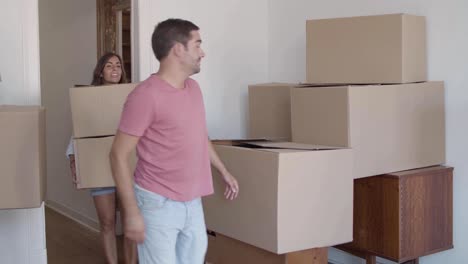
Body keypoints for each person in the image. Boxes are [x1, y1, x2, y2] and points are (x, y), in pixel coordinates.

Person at [109, 18, 239, 264]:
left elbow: (199, 135)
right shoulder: (145, 96)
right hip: (157, 202)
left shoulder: (194, 89)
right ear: (178, 49)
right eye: (197, 44)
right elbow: (117, 155)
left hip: (193, 201)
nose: (203, 52)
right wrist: (132, 212)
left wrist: (223, 170)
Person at [66, 52, 137, 264]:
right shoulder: (88, 99)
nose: (115, 69)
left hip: (127, 167)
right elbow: (80, 135)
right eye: (109, 65)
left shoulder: (132, 97)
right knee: (107, 222)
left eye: (118, 65)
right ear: (100, 71)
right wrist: (74, 162)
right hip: (99, 166)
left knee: (129, 221)